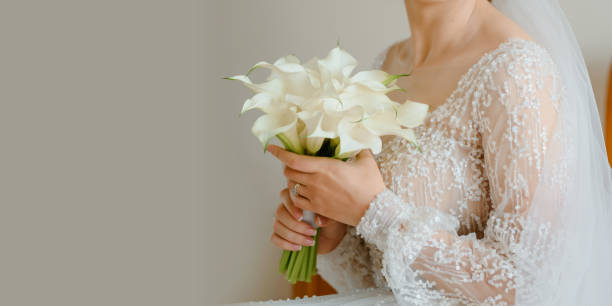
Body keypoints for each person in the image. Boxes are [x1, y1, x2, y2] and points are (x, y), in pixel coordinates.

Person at [247, 0, 612, 305]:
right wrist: (335, 236)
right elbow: (382, 283)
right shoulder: (386, 64)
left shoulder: (517, 71)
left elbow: (530, 285)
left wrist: (376, 211)